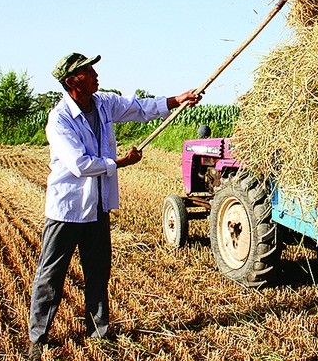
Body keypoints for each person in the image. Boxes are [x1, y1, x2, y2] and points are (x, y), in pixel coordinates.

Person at [27, 52, 201, 360]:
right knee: (50, 275)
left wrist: (179, 99)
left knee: (98, 271)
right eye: (88, 72)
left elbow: (139, 108)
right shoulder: (60, 119)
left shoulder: (104, 103)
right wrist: (120, 162)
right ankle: (38, 337)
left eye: (94, 70)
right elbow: (80, 165)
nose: (96, 75)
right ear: (72, 82)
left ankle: (99, 331)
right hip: (67, 209)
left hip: (98, 208)